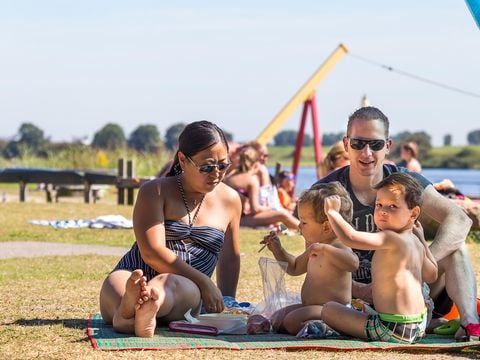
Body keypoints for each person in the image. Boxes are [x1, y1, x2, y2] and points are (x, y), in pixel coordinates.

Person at [313, 106, 479, 340]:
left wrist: (416, 267)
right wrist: (363, 290)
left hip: (408, 288)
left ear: (388, 146)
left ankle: (470, 324)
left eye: (376, 144)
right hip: (351, 292)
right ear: (346, 143)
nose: (367, 153)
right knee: (322, 307)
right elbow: (315, 256)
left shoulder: (405, 183)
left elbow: (459, 219)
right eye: (358, 143)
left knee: (457, 249)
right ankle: (429, 323)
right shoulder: (325, 191)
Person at [99, 120, 242, 337]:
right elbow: (151, 252)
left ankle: (130, 315)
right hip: (134, 275)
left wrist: (226, 301)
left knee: (169, 284)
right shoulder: (154, 191)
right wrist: (205, 282)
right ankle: (134, 310)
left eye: (223, 165)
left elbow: (230, 257)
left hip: (185, 289)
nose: (216, 173)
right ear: (183, 160)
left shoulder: (230, 199)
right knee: (119, 281)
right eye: (206, 167)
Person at [321, 173, 438, 343]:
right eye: (379, 205)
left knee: (328, 309)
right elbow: (431, 274)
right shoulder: (415, 243)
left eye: (392, 207)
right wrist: (422, 239)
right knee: (361, 308)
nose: (383, 211)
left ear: (414, 214)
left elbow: (350, 238)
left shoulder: (391, 238)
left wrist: (332, 212)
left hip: (393, 328)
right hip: (419, 324)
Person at [261, 182, 359, 335]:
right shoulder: (315, 247)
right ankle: (319, 326)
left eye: (304, 222)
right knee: (277, 319)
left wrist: (325, 250)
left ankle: (334, 329)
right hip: (312, 307)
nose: (299, 226)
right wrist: (278, 249)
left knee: (292, 321)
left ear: (326, 227)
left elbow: (353, 264)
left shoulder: (337, 247)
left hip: (333, 310)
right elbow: (294, 268)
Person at [224, 145, 300, 231]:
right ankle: (305, 229)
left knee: (277, 218)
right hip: (239, 220)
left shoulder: (228, 177)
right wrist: (269, 207)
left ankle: (296, 229)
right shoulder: (251, 180)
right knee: (282, 215)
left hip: (224, 217)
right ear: (256, 164)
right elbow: (255, 209)